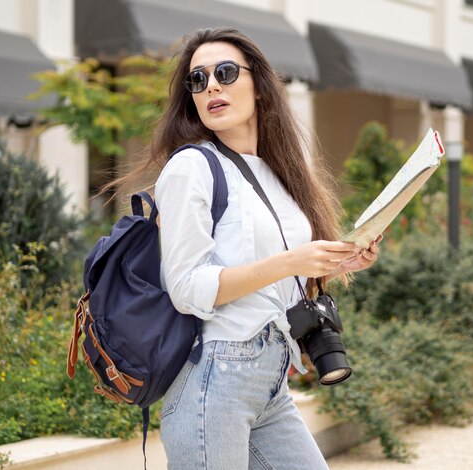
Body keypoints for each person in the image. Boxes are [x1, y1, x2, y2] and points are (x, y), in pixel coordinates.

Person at [146, 27, 381, 469]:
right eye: (197, 80)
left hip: (271, 382)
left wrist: (339, 261)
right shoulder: (191, 167)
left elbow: (283, 278)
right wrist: (290, 261)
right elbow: (187, 286)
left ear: (259, 85)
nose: (211, 85)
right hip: (215, 381)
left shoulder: (280, 173)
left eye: (226, 72)